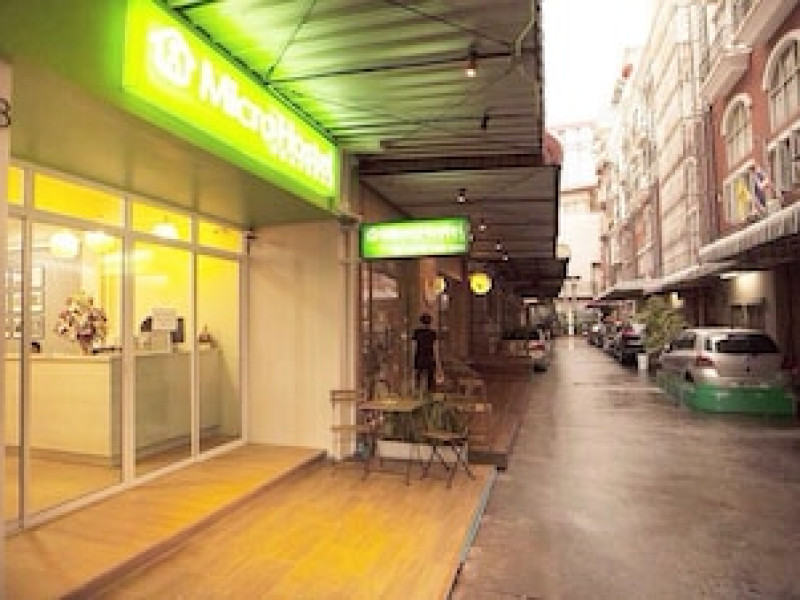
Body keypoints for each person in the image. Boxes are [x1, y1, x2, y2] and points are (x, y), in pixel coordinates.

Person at [412, 313, 442, 394]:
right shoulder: (432, 333)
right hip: (430, 357)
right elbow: (435, 349)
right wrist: (438, 363)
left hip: (419, 357)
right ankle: (428, 395)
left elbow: (414, 347)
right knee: (430, 380)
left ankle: (417, 394)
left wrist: (412, 360)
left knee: (418, 378)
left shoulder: (417, 332)